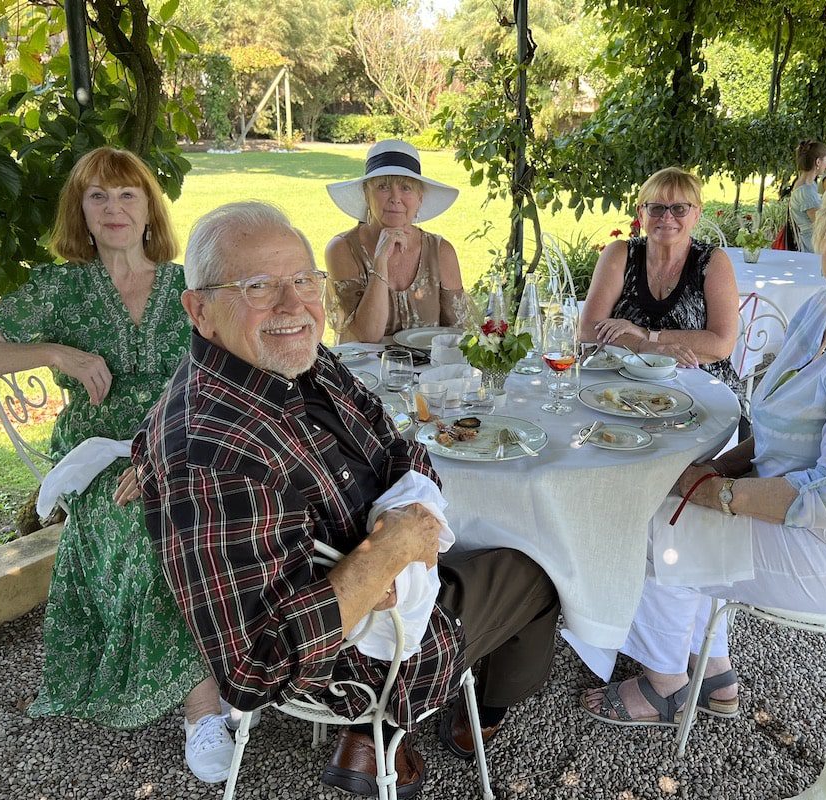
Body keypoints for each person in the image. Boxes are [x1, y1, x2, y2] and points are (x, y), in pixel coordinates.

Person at [134, 201, 560, 798]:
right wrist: (381, 559)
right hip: (352, 662)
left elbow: (393, 439)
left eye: (305, 280)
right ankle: (443, 719)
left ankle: (402, 724)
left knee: (488, 541)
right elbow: (253, 668)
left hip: (376, 561)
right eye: (258, 287)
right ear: (199, 310)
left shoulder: (296, 360)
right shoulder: (212, 453)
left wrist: (401, 523)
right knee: (539, 572)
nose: (293, 306)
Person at [579, 173, 826, 726]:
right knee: (673, 501)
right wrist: (713, 468)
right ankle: (715, 673)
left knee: (648, 522)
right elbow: (778, 432)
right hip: (808, 517)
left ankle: (665, 685)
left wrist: (716, 493)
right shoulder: (823, 310)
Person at [0, 148, 228, 781]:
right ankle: (204, 711)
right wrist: (56, 352)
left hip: (184, 446)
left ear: (150, 208)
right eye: (98, 197)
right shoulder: (60, 289)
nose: (114, 209)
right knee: (151, 527)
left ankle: (265, 659)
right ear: (80, 211)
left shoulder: (188, 287)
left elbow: (237, 367)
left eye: (127, 196)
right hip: (96, 463)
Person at [580, 167, 741, 391]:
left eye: (679, 208)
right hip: (622, 387)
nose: (667, 217)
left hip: (703, 388)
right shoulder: (620, 254)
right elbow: (588, 330)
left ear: (696, 214)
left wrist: (648, 335)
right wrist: (648, 347)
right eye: (656, 208)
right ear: (640, 214)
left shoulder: (712, 262)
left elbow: (721, 344)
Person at [324, 139, 472, 343]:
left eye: (406, 188)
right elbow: (367, 335)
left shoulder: (441, 252)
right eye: (383, 187)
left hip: (430, 373)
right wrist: (380, 260)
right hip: (365, 373)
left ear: (420, 197)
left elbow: (460, 335)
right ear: (367, 194)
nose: (395, 197)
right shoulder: (343, 249)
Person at [789, 140, 826, 252]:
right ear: (818, 162)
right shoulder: (805, 191)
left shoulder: (809, 184)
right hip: (812, 245)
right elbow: (820, 222)